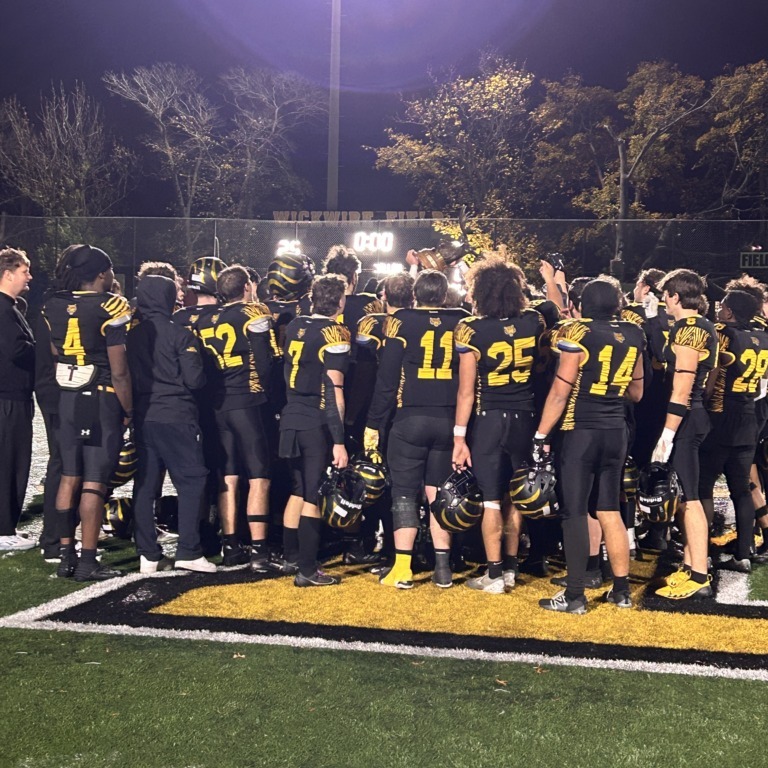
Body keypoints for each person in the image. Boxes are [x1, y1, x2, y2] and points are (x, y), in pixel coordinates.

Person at [536, 278, 645, 613]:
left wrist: (541, 434)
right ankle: (622, 591)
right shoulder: (633, 332)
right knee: (609, 508)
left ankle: (574, 595)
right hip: (616, 430)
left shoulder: (575, 332)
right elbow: (637, 393)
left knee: (575, 512)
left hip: (581, 430)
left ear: (583, 305)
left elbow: (560, 390)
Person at [365, 269, 468, 589]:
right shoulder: (462, 320)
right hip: (449, 420)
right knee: (439, 492)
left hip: (410, 418)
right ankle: (442, 568)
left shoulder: (401, 321)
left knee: (405, 493)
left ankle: (403, 568)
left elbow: (387, 380)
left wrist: (373, 424)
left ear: (415, 295)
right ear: (444, 294)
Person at [452, 257, 545, 592]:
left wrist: (459, 437)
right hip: (525, 417)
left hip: (489, 419)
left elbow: (465, 392)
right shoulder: (533, 321)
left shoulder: (471, 329)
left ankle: (493, 574)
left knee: (491, 499)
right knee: (515, 497)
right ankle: (510, 567)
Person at [42, 244, 132, 581]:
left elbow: (55, 348)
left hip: (68, 394)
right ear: (101, 274)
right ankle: (89, 559)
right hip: (100, 396)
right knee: (94, 482)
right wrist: (129, 409)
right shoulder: (112, 306)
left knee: (69, 475)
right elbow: (120, 370)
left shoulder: (52, 304)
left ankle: (66, 555)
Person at [126, 275, 215, 574]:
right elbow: (195, 380)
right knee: (192, 481)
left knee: (146, 485)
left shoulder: (131, 335)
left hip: (144, 415)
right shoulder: (180, 335)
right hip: (176, 416)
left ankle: (148, 553)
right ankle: (188, 550)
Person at [195, 265, 276, 570]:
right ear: (245, 288)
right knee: (259, 476)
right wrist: (267, 396)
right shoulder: (253, 312)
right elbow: (265, 362)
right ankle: (259, 550)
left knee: (228, 475)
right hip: (246, 400)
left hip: (216, 404)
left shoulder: (202, 319)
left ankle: (231, 545)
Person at [279, 274, 351, 586]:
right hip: (313, 420)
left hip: (290, 415)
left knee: (297, 491)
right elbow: (334, 390)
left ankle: (291, 556)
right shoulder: (335, 332)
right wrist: (338, 439)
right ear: (340, 301)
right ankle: (307, 571)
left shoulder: (296, 325)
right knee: (313, 494)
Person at [652, 268, 718, 600]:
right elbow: (709, 380)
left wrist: (666, 434)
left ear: (675, 297)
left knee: (689, 498)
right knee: (684, 495)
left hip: (686, 419)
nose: (663, 301)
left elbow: (683, 386)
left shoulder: (689, 328)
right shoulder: (704, 325)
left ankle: (700, 577)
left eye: (665, 295)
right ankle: (692, 567)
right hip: (696, 415)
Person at [699, 290, 768, 572]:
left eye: (723, 306)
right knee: (741, 488)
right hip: (749, 416)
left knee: (702, 485)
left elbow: (712, 381)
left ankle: (699, 550)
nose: (718, 309)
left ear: (729, 312)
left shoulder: (723, 334)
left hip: (721, 416)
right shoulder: (763, 337)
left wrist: (701, 400)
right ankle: (744, 553)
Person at [0, 247, 36, 551]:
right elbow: (16, 350)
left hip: (9, 397)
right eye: (25, 271)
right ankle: (4, 529)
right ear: (8, 274)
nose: (29, 277)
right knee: (11, 463)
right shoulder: (4, 309)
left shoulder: (9, 307)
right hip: (10, 399)